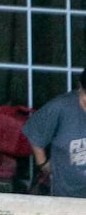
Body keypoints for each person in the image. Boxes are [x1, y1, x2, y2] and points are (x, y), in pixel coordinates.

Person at [22, 68, 86, 198]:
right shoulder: (60, 107)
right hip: (67, 195)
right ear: (80, 87)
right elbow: (35, 131)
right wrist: (43, 163)